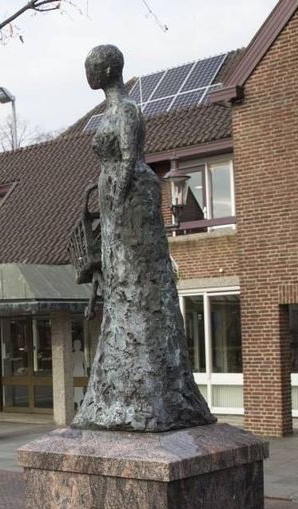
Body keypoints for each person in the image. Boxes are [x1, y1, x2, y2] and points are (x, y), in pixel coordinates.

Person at [72, 44, 214, 433]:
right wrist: (98, 193)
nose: (87, 74)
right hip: (112, 196)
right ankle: (117, 390)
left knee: (137, 285)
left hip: (131, 201)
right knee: (120, 288)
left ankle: (153, 392)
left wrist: (114, 210)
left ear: (107, 70)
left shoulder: (128, 110)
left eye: (91, 67)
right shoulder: (106, 114)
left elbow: (130, 161)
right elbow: (111, 164)